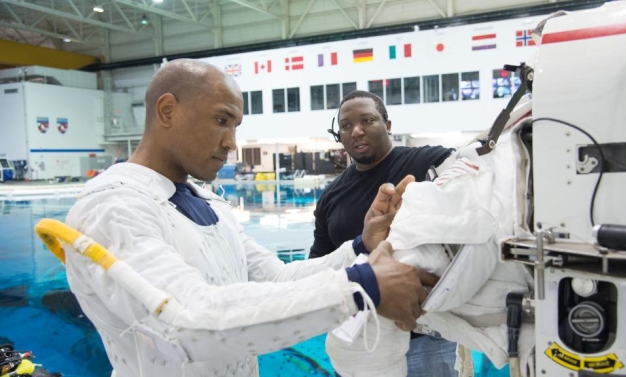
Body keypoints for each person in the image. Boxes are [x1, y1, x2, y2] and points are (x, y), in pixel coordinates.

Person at [63, 59, 437, 377]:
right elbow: (185, 319)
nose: (231, 142)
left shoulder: (207, 204)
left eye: (235, 126)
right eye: (221, 121)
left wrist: (361, 245)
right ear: (167, 111)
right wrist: (363, 286)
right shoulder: (114, 206)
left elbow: (279, 278)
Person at [309, 90, 458, 376]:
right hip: (360, 340)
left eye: (367, 120)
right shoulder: (331, 196)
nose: (357, 131)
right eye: (346, 125)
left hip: (424, 335)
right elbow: (319, 261)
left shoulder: (426, 161)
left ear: (387, 124)